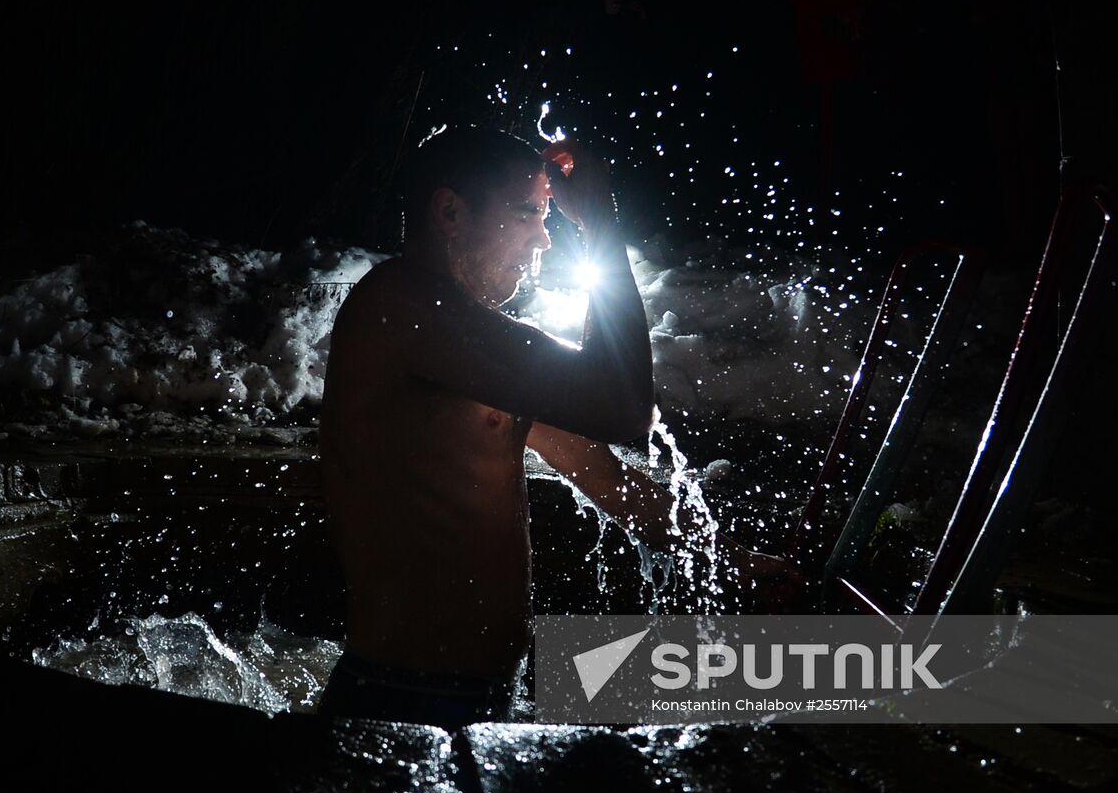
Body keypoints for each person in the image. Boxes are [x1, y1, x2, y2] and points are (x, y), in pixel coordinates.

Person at [316, 127, 791, 728]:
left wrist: (740, 565)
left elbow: (613, 481)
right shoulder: (400, 305)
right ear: (450, 211)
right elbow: (619, 403)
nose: (545, 236)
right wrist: (598, 219)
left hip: (476, 696)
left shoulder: (471, 341)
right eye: (529, 212)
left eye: (549, 216)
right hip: (400, 700)